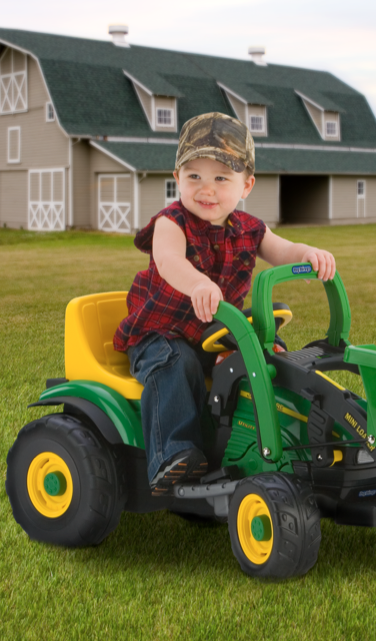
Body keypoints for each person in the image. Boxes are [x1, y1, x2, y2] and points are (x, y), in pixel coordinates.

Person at [113, 112, 337, 496]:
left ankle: (286, 441)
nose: (206, 189)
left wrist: (310, 254)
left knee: (267, 355)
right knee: (174, 363)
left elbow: (284, 251)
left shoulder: (251, 229)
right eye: (194, 176)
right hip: (161, 333)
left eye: (221, 177)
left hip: (216, 331)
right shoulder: (172, 222)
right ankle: (173, 454)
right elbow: (169, 261)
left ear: (246, 184)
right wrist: (197, 282)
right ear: (177, 178)